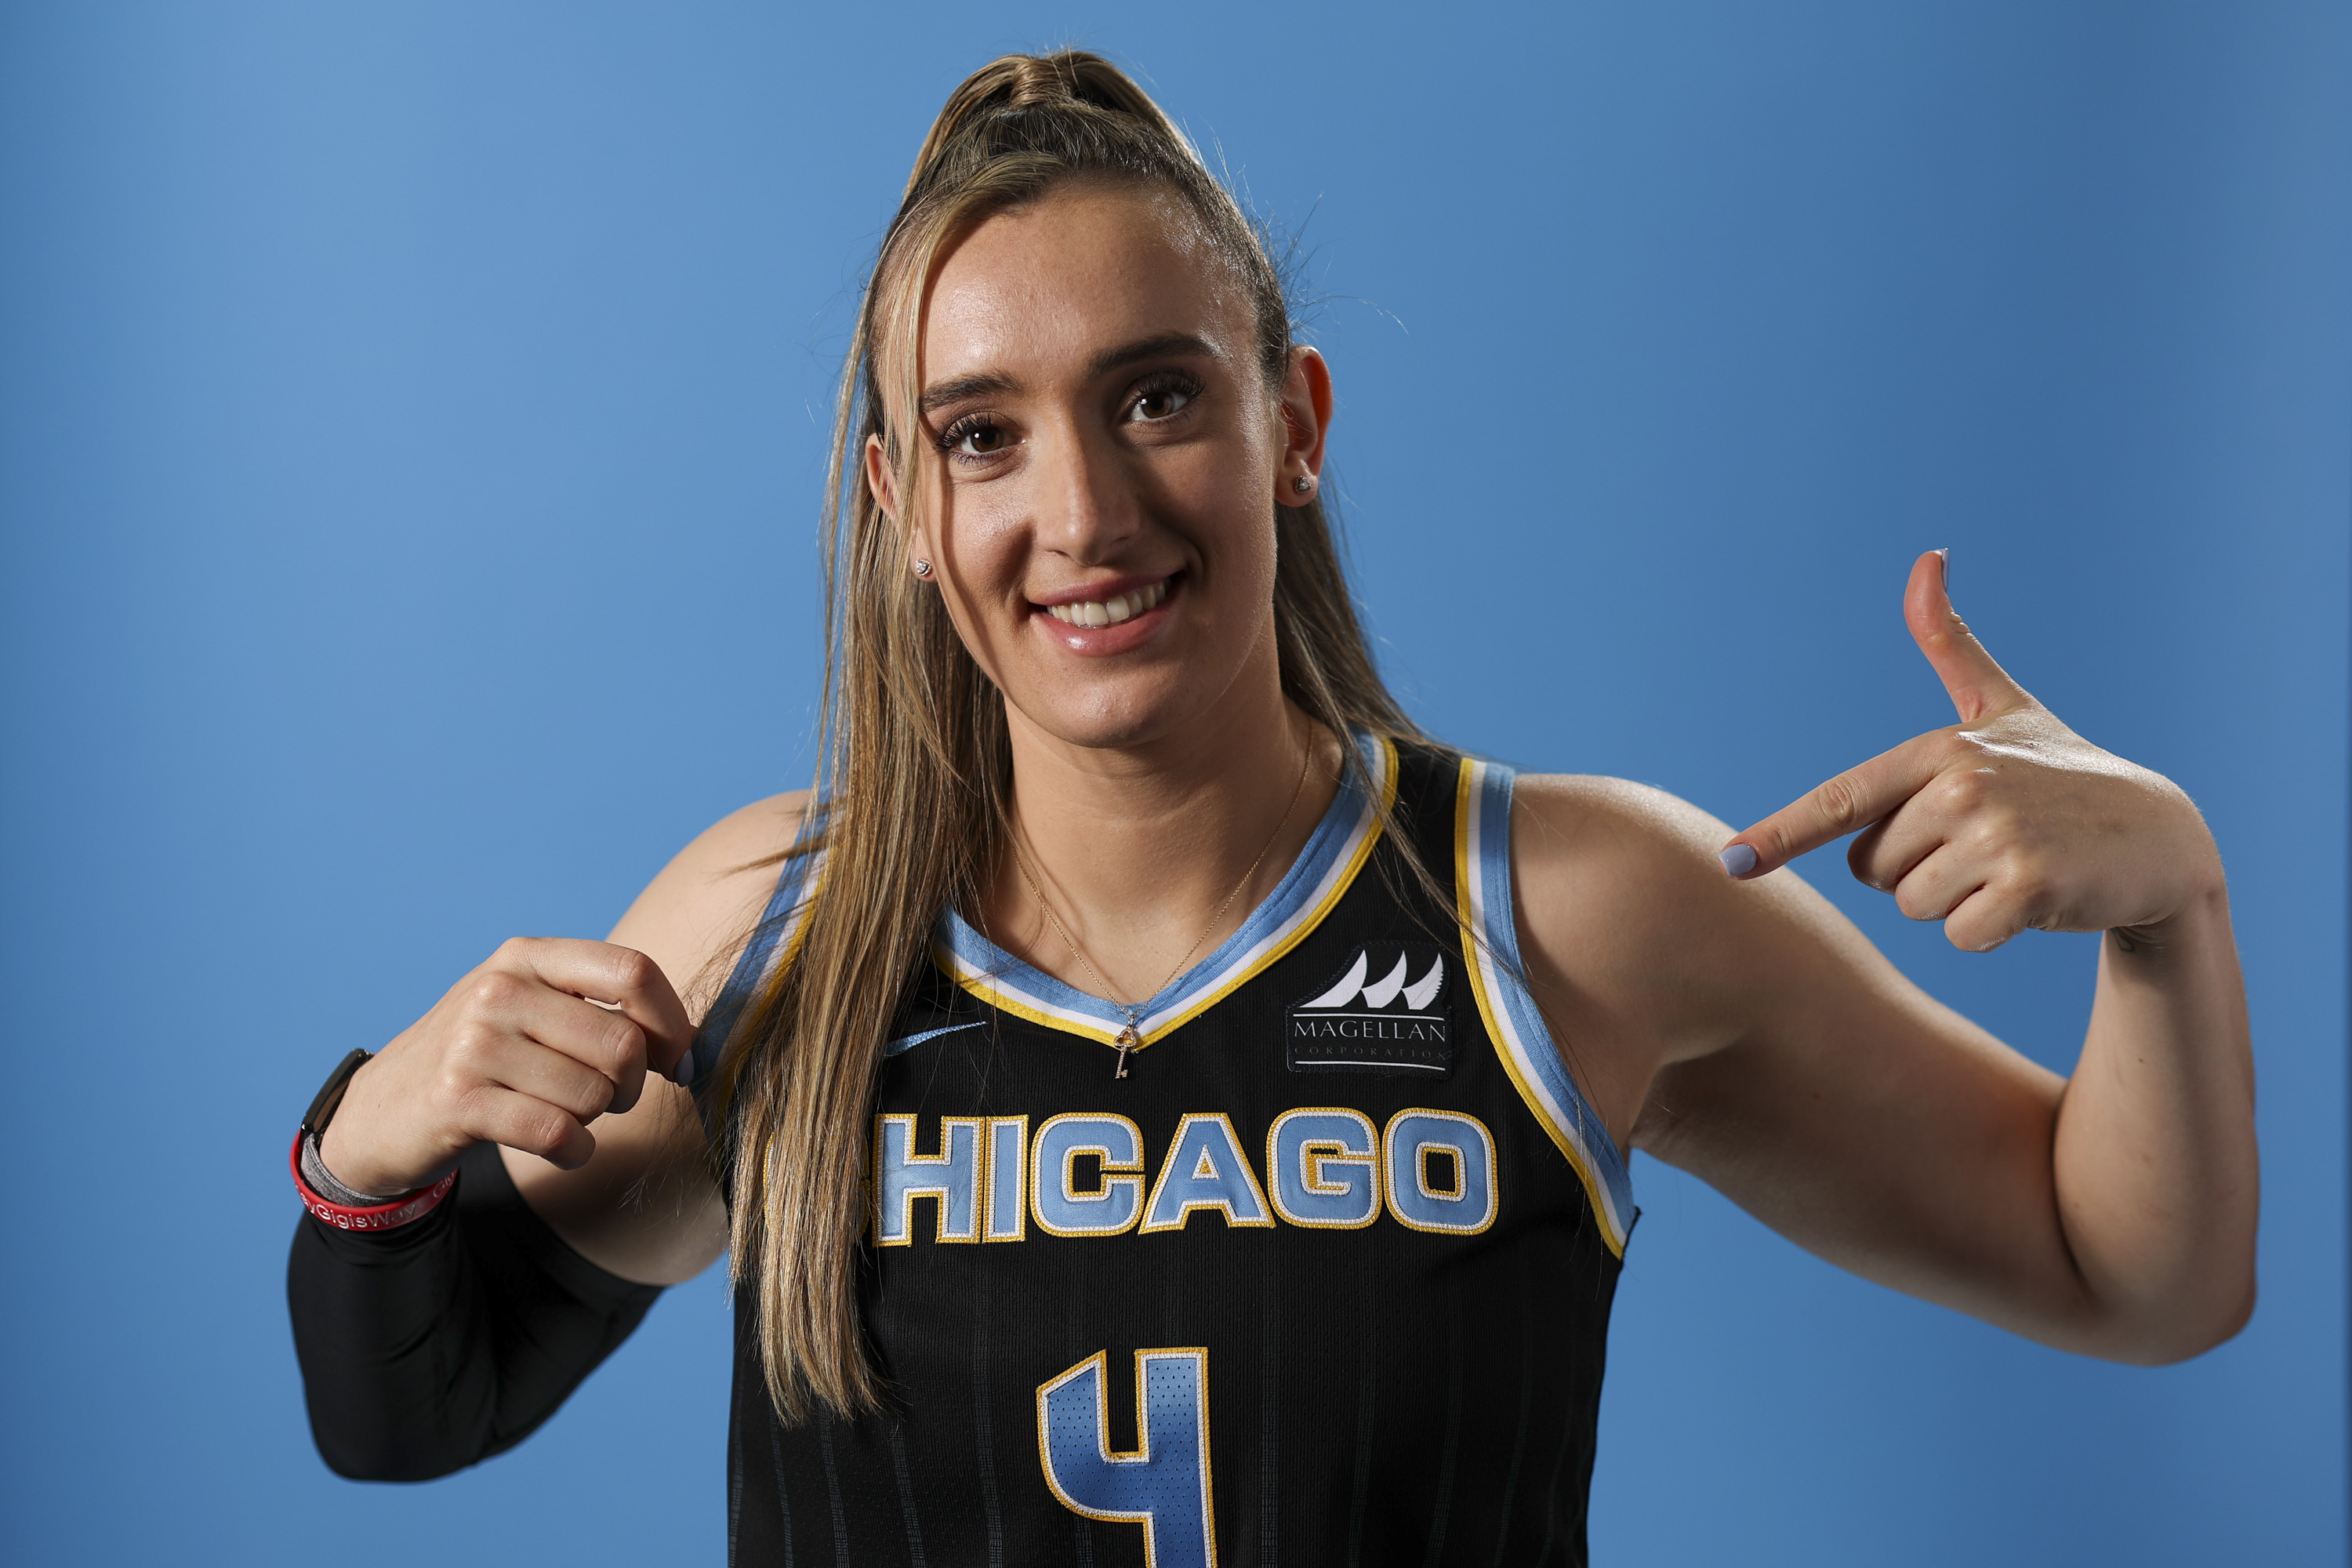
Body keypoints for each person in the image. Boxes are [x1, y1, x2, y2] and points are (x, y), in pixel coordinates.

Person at [285, 50, 2256, 1567]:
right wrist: (374, 1137)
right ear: (900, 504)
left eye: (1155, 397)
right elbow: (409, 1410)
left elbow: (2133, 1271)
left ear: (1291, 423)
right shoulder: (775, 928)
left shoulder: (1562, 907)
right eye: (985, 435)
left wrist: (2171, 915)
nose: (1084, 513)